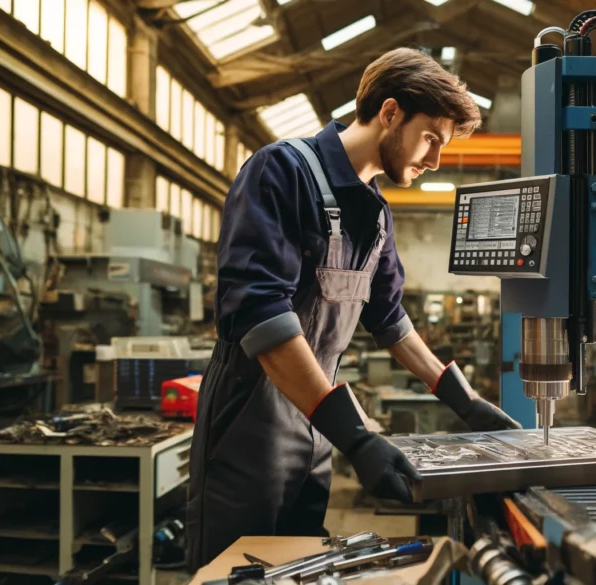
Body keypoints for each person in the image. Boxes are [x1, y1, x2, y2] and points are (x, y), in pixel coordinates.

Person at [186, 47, 521, 571]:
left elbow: (389, 320)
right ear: (390, 113)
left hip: (316, 429)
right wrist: (359, 438)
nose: (435, 160)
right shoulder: (281, 171)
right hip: (247, 430)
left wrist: (465, 400)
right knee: (237, 572)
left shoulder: (375, 213)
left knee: (301, 567)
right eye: (431, 137)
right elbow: (261, 318)